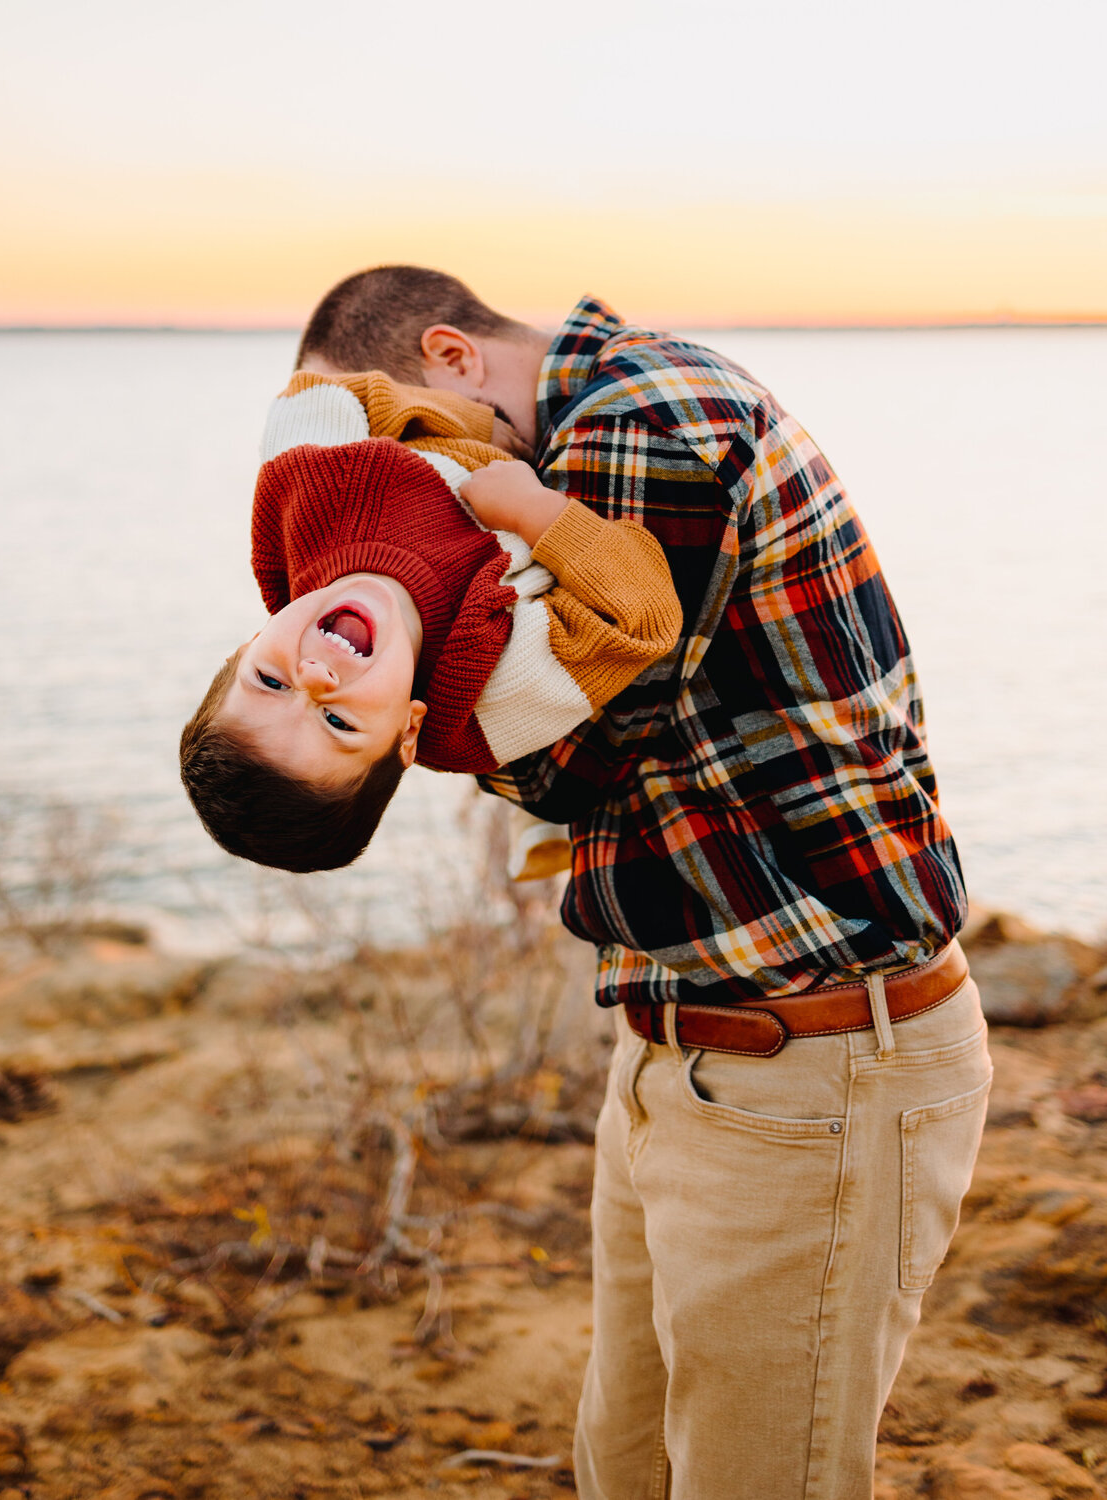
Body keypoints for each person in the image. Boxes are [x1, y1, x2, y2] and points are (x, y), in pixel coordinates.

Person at [297, 266, 992, 1500]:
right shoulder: (584, 442)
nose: (416, 478)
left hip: (816, 1055)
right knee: (624, 1463)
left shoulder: (638, 421)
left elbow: (582, 741)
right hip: (693, 1046)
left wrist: (392, 721)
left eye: (405, 430)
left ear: (453, 357)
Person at [179, 368, 680, 873]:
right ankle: (540, 817)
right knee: (554, 780)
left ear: (249, 644)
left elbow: (317, 394)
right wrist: (534, 511)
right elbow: (642, 621)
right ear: (408, 732)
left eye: (269, 680)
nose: (313, 677)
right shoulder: (484, 697)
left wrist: (478, 425)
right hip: (546, 524)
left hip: (457, 434)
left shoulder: (299, 508)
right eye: (337, 722)